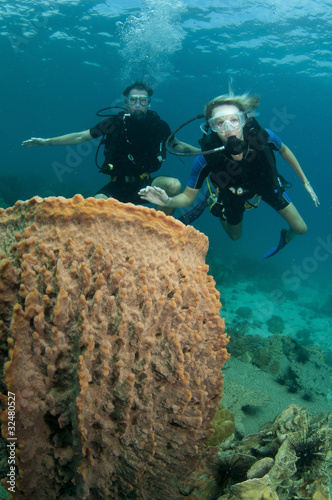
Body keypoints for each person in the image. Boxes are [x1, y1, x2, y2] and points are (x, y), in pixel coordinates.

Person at [139, 92, 320, 258]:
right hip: (232, 192)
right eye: (219, 123)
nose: (228, 128)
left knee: (301, 229)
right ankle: (215, 206)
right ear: (211, 127)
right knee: (235, 237)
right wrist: (168, 201)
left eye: (234, 120)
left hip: (265, 185)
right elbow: (187, 197)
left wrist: (306, 182)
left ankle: (285, 238)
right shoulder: (205, 159)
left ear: (244, 120)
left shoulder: (263, 136)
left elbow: (285, 150)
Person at [22, 81, 199, 215]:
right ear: (126, 102)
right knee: (93, 207)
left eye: (143, 100)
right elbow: (81, 136)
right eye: (133, 100)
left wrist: (203, 154)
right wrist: (47, 142)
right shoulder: (113, 123)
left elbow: (177, 145)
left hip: (146, 186)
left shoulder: (160, 126)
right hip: (116, 186)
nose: (138, 104)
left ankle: (160, 228)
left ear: (149, 103)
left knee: (173, 185)